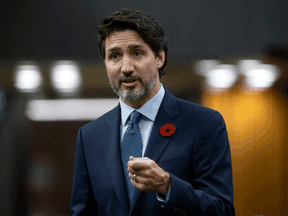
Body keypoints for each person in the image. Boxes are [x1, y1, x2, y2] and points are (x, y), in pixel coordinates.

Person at [70, 8, 235, 216]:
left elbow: (222, 211)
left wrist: (168, 186)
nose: (126, 67)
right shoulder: (89, 137)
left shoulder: (204, 123)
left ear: (159, 57)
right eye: (114, 56)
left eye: (137, 53)